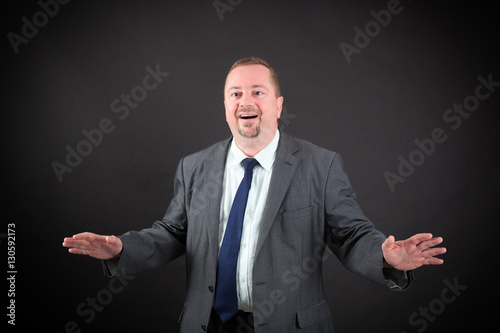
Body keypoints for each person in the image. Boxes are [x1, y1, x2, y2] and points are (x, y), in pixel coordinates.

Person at [63, 57, 446, 333]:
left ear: (278, 105)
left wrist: (385, 256)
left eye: (258, 92)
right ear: (226, 106)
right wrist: (121, 249)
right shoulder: (194, 166)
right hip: (207, 324)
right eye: (236, 93)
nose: (246, 101)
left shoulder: (320, 165)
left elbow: (350, 235)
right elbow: (173, 233)